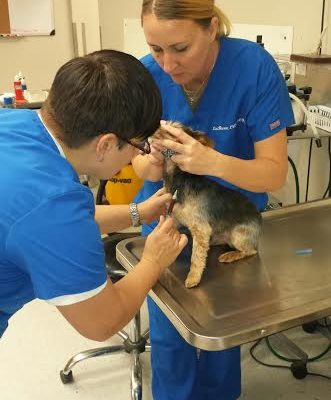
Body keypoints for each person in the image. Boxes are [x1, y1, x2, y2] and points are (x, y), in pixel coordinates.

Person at [132, 1, 294, 399]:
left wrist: (212, 162)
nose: (167, 64)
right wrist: (152, 164)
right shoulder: (146, 76)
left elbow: (274, 173)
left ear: (212, 28)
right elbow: (136, 166)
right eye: (156, 48)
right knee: (171, 345)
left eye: (181, 48)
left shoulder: (253, 69)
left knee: (222, 339)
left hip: (226, 225)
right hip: (166, 228)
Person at [0, 49, 188, 342]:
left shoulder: (13, 124)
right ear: (106, 145)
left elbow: (45, 221)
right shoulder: (55, 208)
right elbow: (101, 323)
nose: (136, 157)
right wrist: (153, 260)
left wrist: (138, 211)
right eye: (138, 147)